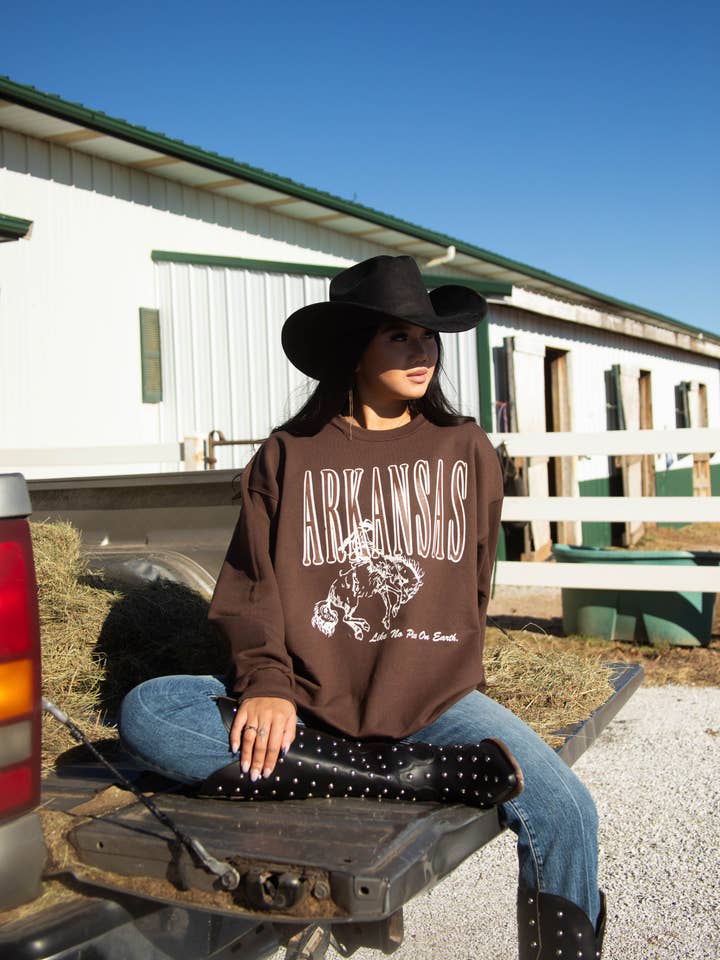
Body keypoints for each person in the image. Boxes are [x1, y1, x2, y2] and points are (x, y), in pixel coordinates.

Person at [119, 255, 606, 959]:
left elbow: (473, 580)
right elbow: (252, 588)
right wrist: (267, 685)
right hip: (311, 705)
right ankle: (400, 779)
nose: (421, 352)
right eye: (398, 337)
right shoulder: (289, 456)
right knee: (152, 712)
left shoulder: (465, 449)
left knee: (566, 810)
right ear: (355, 349)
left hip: (434, 704)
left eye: (427, 337)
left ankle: (366, 766)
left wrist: (436, 661)